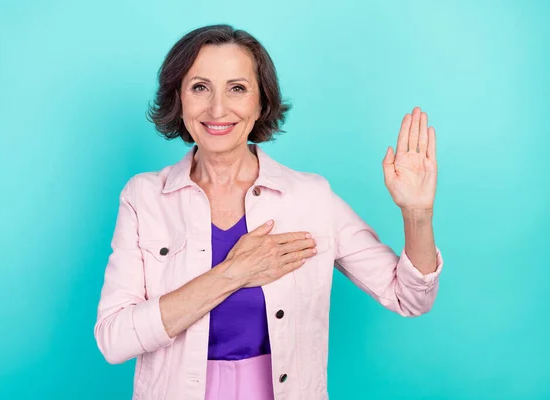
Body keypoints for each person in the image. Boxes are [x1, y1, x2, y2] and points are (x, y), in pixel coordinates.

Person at [94, 24, 444, 400]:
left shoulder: (310, 197)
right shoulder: (144, 197)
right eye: (200, 87)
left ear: (261, 102)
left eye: (237, 88)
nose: (217, 108)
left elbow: (410, 298)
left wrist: (417, 214)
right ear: (178, 98)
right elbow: (114, 340)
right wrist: (233, 272)